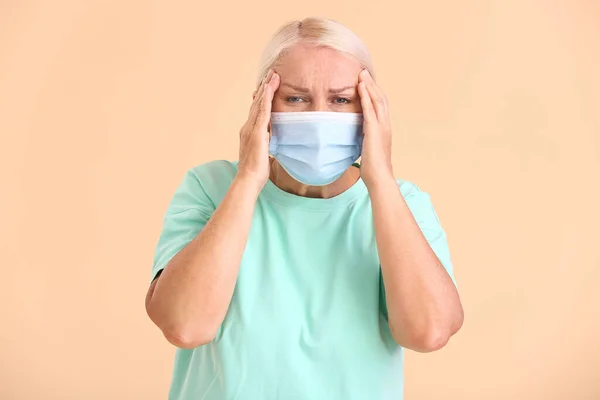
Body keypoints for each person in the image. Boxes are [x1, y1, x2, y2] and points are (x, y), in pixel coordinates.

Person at [145, 17, 463, 400]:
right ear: (262, 101)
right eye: (295, 98)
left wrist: (381, 182)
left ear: (369, 110)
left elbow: (429, 332)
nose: (319, 117)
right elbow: (185, 326)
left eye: (341, 99)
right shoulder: (210, 188)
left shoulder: (403, 204)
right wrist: (248, 179)